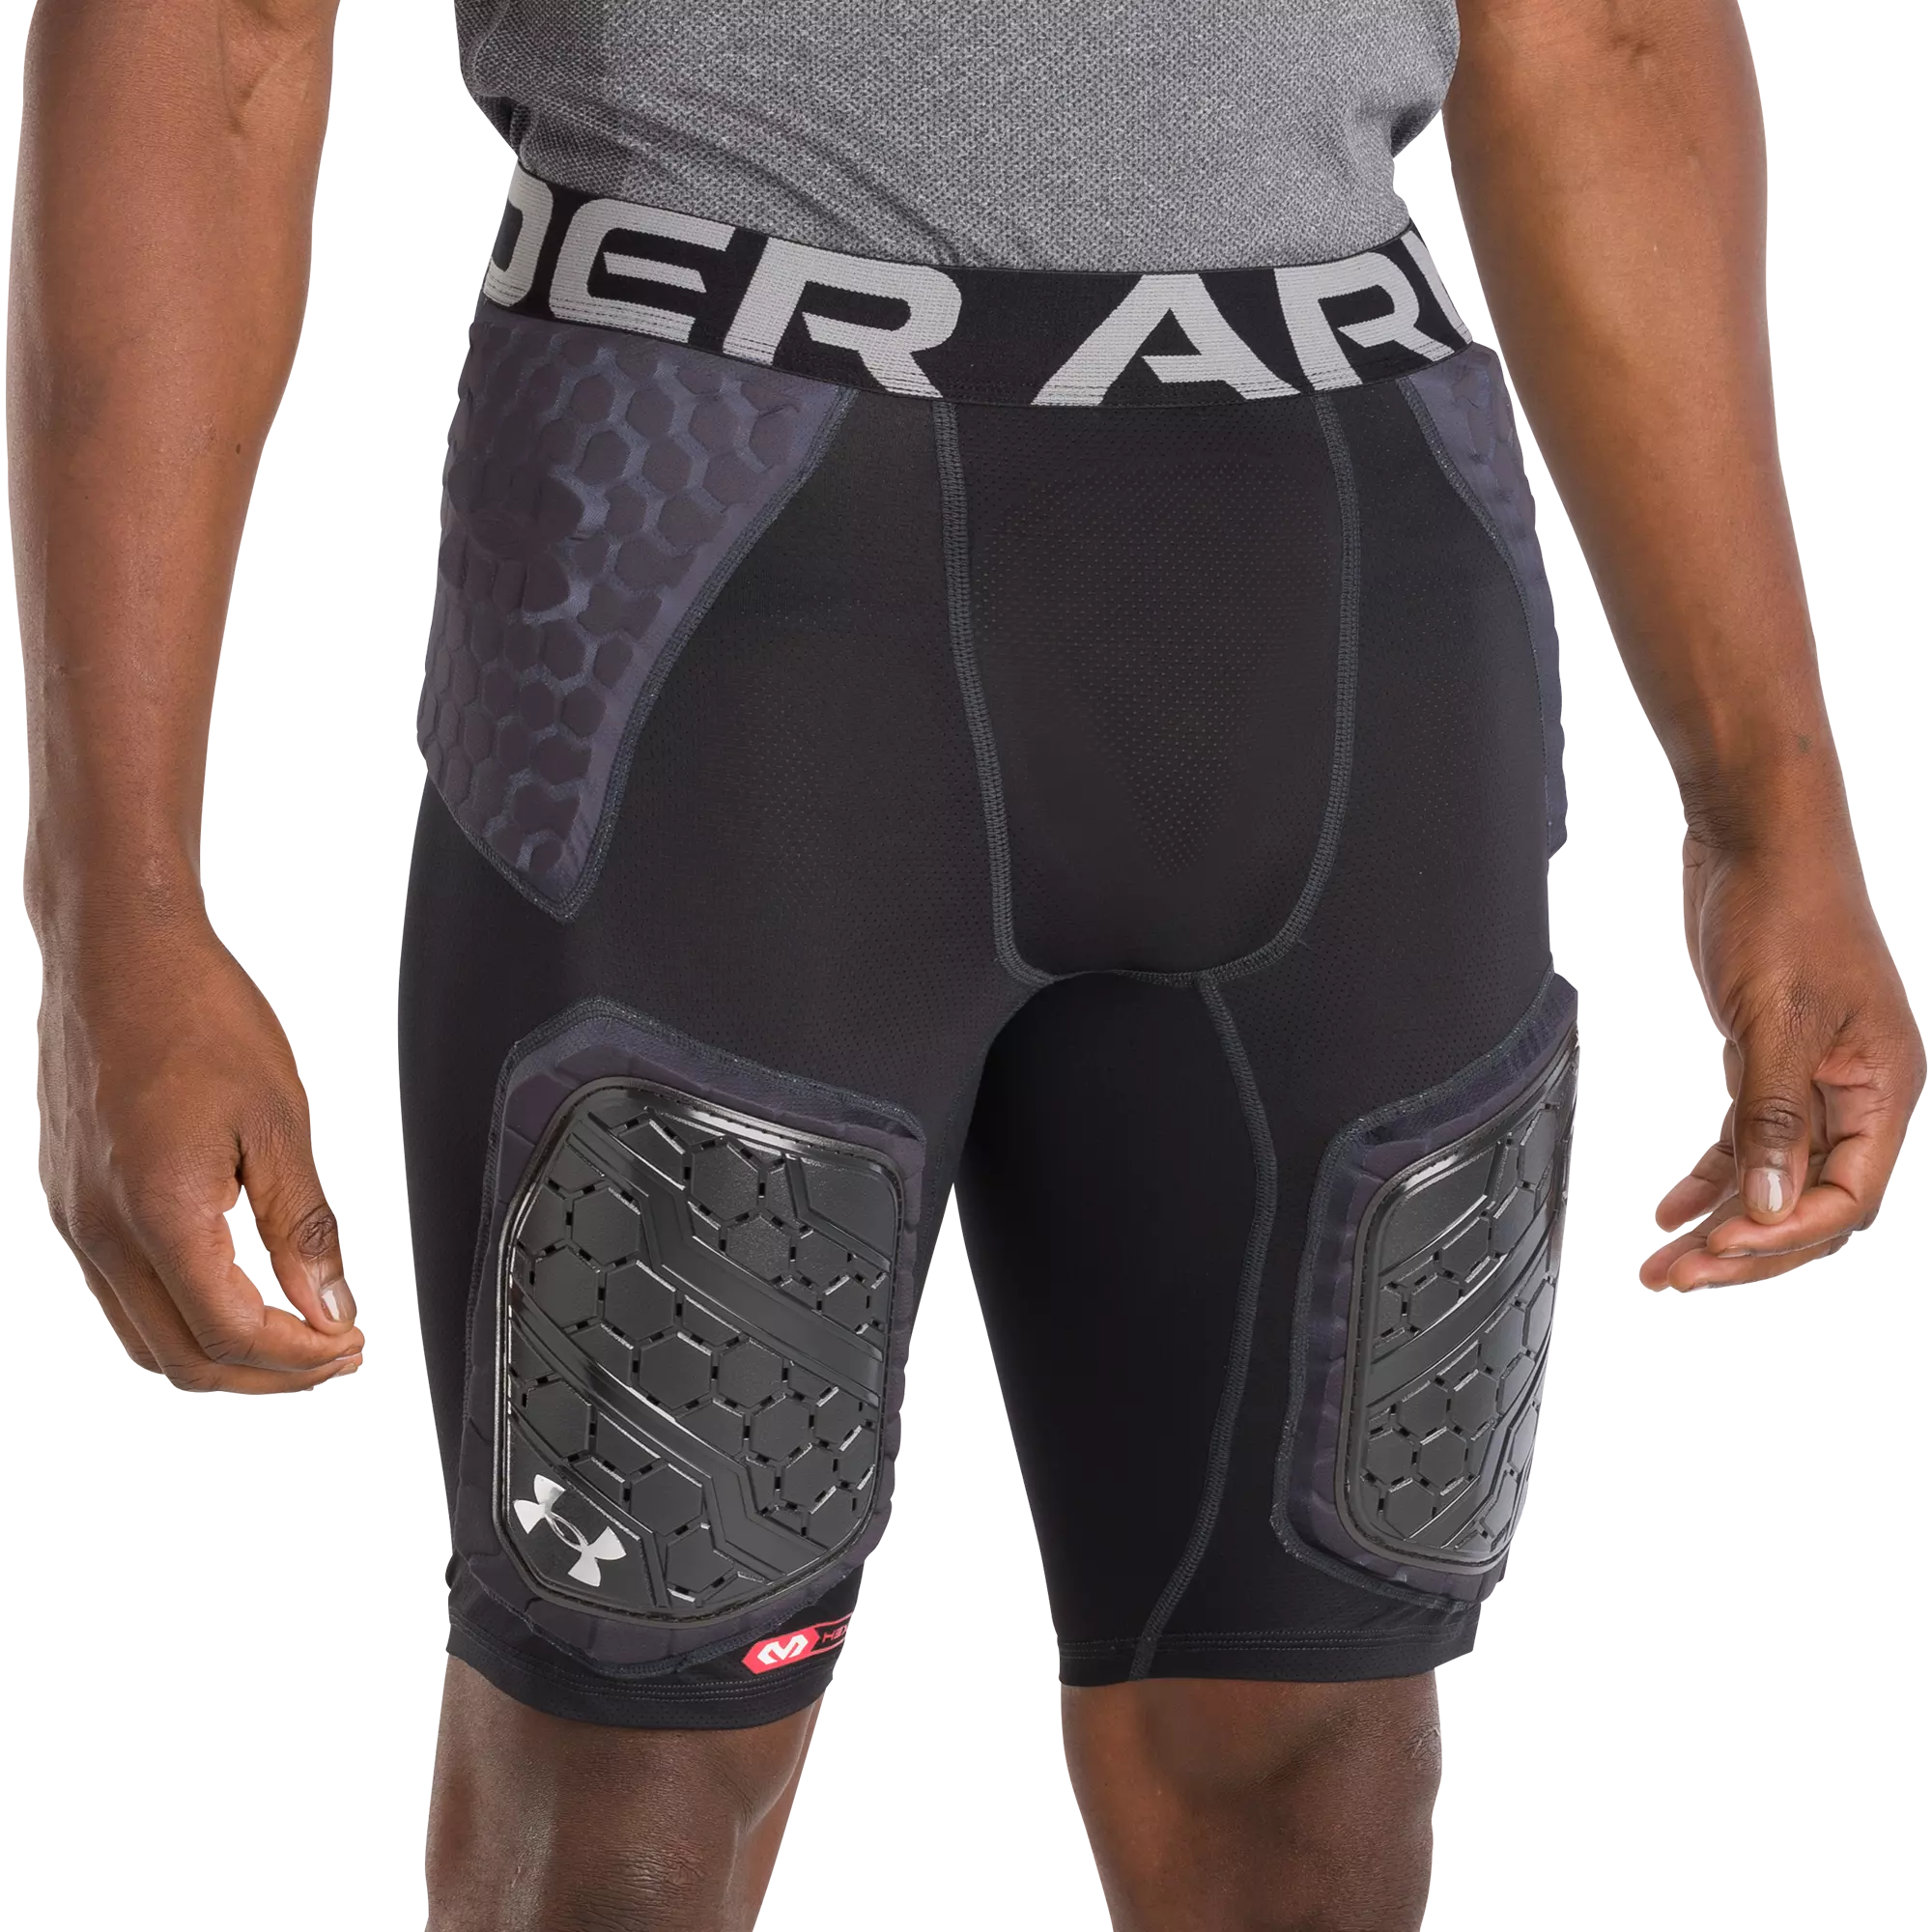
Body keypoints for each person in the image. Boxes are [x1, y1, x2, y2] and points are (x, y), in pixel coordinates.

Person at [14, 0, 1921, 1924]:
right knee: (629, 1781)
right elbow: (214, 39)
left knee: (1312, 1757)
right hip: (723, 567)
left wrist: (1774, 813)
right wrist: (114, 904)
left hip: (1350, 574)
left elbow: (1603, 43)